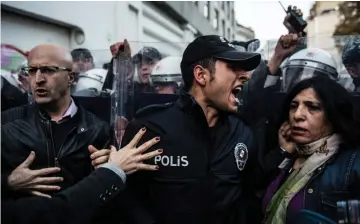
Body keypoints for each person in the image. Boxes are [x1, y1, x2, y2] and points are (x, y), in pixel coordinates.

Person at [118, 35, 268, 224]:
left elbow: (252, 198)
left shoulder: (243, 134)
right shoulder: (149, 128)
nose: (245, 75)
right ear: (201, 75)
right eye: (233, 67)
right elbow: (127, 200)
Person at [1, 44, 114, 199]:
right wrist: (8, 181)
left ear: (71, 78)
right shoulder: (6, 123)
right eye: (32, 71)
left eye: (49, 70)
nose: (38, 79)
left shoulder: (98, 130)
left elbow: (108, 195)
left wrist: (109, 169)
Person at [2, 128, 163, 224]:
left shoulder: (97, 127)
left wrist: (6, 182)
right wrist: (112, 170)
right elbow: (58, 212)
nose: (38, 79)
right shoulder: (8, 125)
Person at [261, 75, 360, 223]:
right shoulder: (289, 156)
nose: (298, 115)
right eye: (293, 106)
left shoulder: (352, 165)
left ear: (333, 116)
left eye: (313, 107)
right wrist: (284, 152)